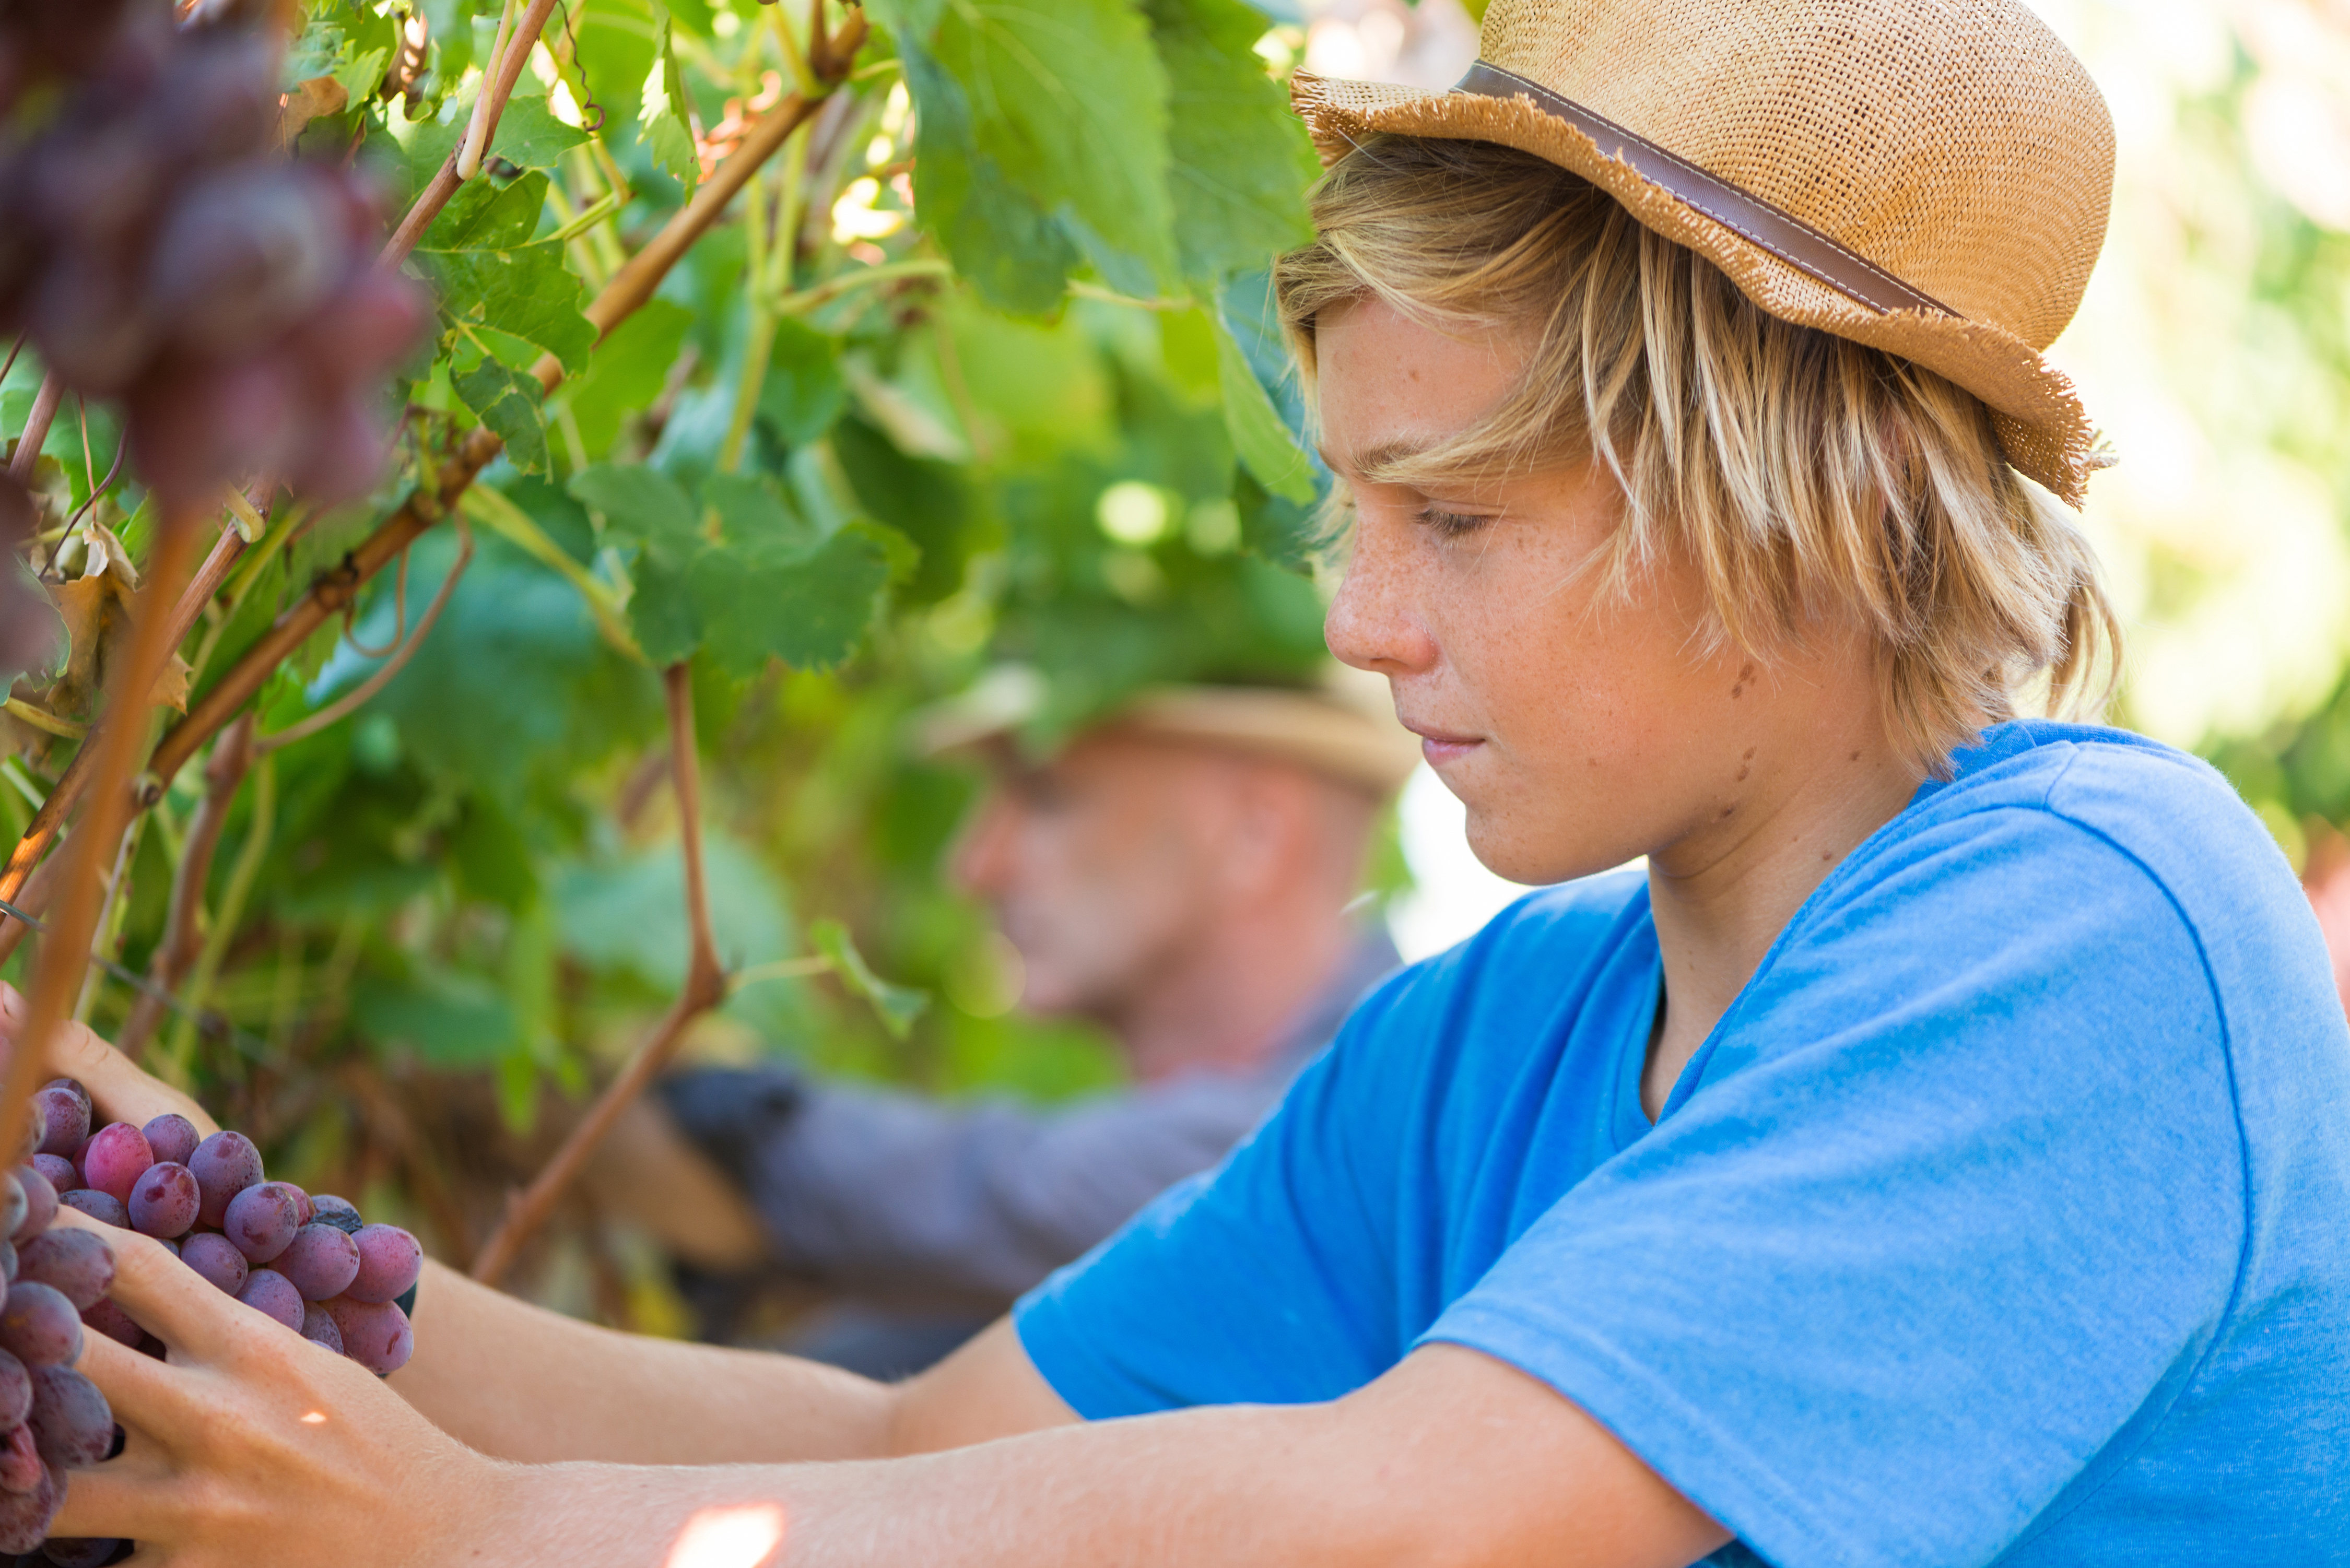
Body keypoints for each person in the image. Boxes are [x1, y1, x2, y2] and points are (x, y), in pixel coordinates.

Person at [25, 0, 2350, 1561]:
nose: (1362, 617)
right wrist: (137, 1174)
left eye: (1454, 516)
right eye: (1357, 513)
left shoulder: (2097, 919)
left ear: (1800, 508)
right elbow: (904, 1451)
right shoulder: (1496, 1033)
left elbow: (1421, 1522)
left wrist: (487, 1535)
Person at [592, 673, 1412, 1376]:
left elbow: (1014, 1194)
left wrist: (722, 1117)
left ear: (1254, 832)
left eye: (1045, 795)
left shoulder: (1391, 1120)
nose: (973, 865)